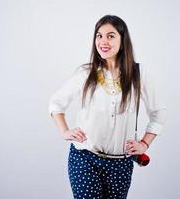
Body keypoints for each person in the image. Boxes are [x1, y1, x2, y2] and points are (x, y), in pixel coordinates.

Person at [48, 15, 167, 199]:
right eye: (99, 35)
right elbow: (56, 103)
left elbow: (158, 113)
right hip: (85, 157)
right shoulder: (85, 73)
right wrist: (65, 131)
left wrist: (144, 143)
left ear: (122, 40)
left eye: (110, 36)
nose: (103, 41)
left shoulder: (138, 74)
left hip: (121, 162)